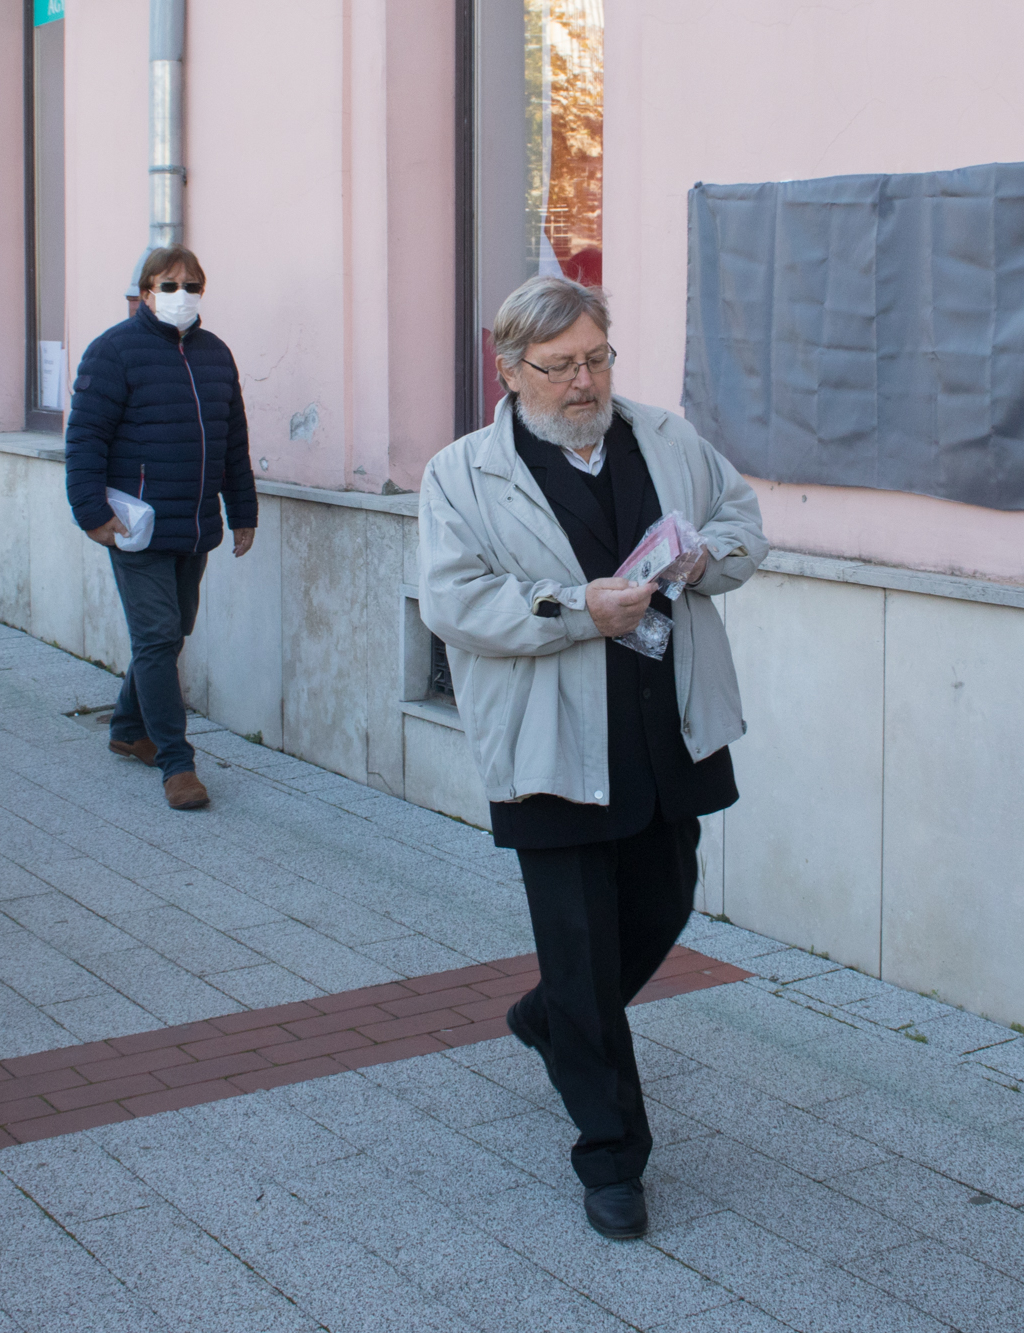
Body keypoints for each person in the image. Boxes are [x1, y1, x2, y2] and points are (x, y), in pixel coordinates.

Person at [417, 275, 766, 1241]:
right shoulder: (461, 473)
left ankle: (553, 1017)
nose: (585, 382)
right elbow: (454, 601)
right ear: (509, 368)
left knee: (666, 902)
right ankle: (611, 1156)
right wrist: (577, 610)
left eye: (597, 358)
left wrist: (706, 558)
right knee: (580, 944)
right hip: (550, 740)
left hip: (666, 724)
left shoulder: (666, 438)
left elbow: (742, 523)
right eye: (561, 365)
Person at [64, 245, 257, 811]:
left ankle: (128, 728)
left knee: (171, 634)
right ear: (146, 292)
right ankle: (177, 763)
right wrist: (92, 514)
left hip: (193, 525)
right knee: (156, 637)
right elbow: (85, 440)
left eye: (191, 285)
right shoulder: (113, 351)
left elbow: (233, 442)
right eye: (169, 285)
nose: (181, 294)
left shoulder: (216, 354)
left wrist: (242, 512)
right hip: (137, 527)